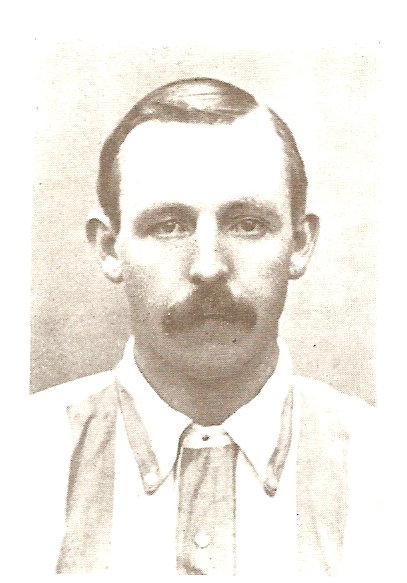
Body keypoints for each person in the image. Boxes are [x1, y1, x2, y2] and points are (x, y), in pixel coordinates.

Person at [29, 77, 384, 578]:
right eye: (168, 226)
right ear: (110, 248)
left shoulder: (387, 463)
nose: (208, 266)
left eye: (247, 224)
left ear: (300, 244)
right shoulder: (19, 458)